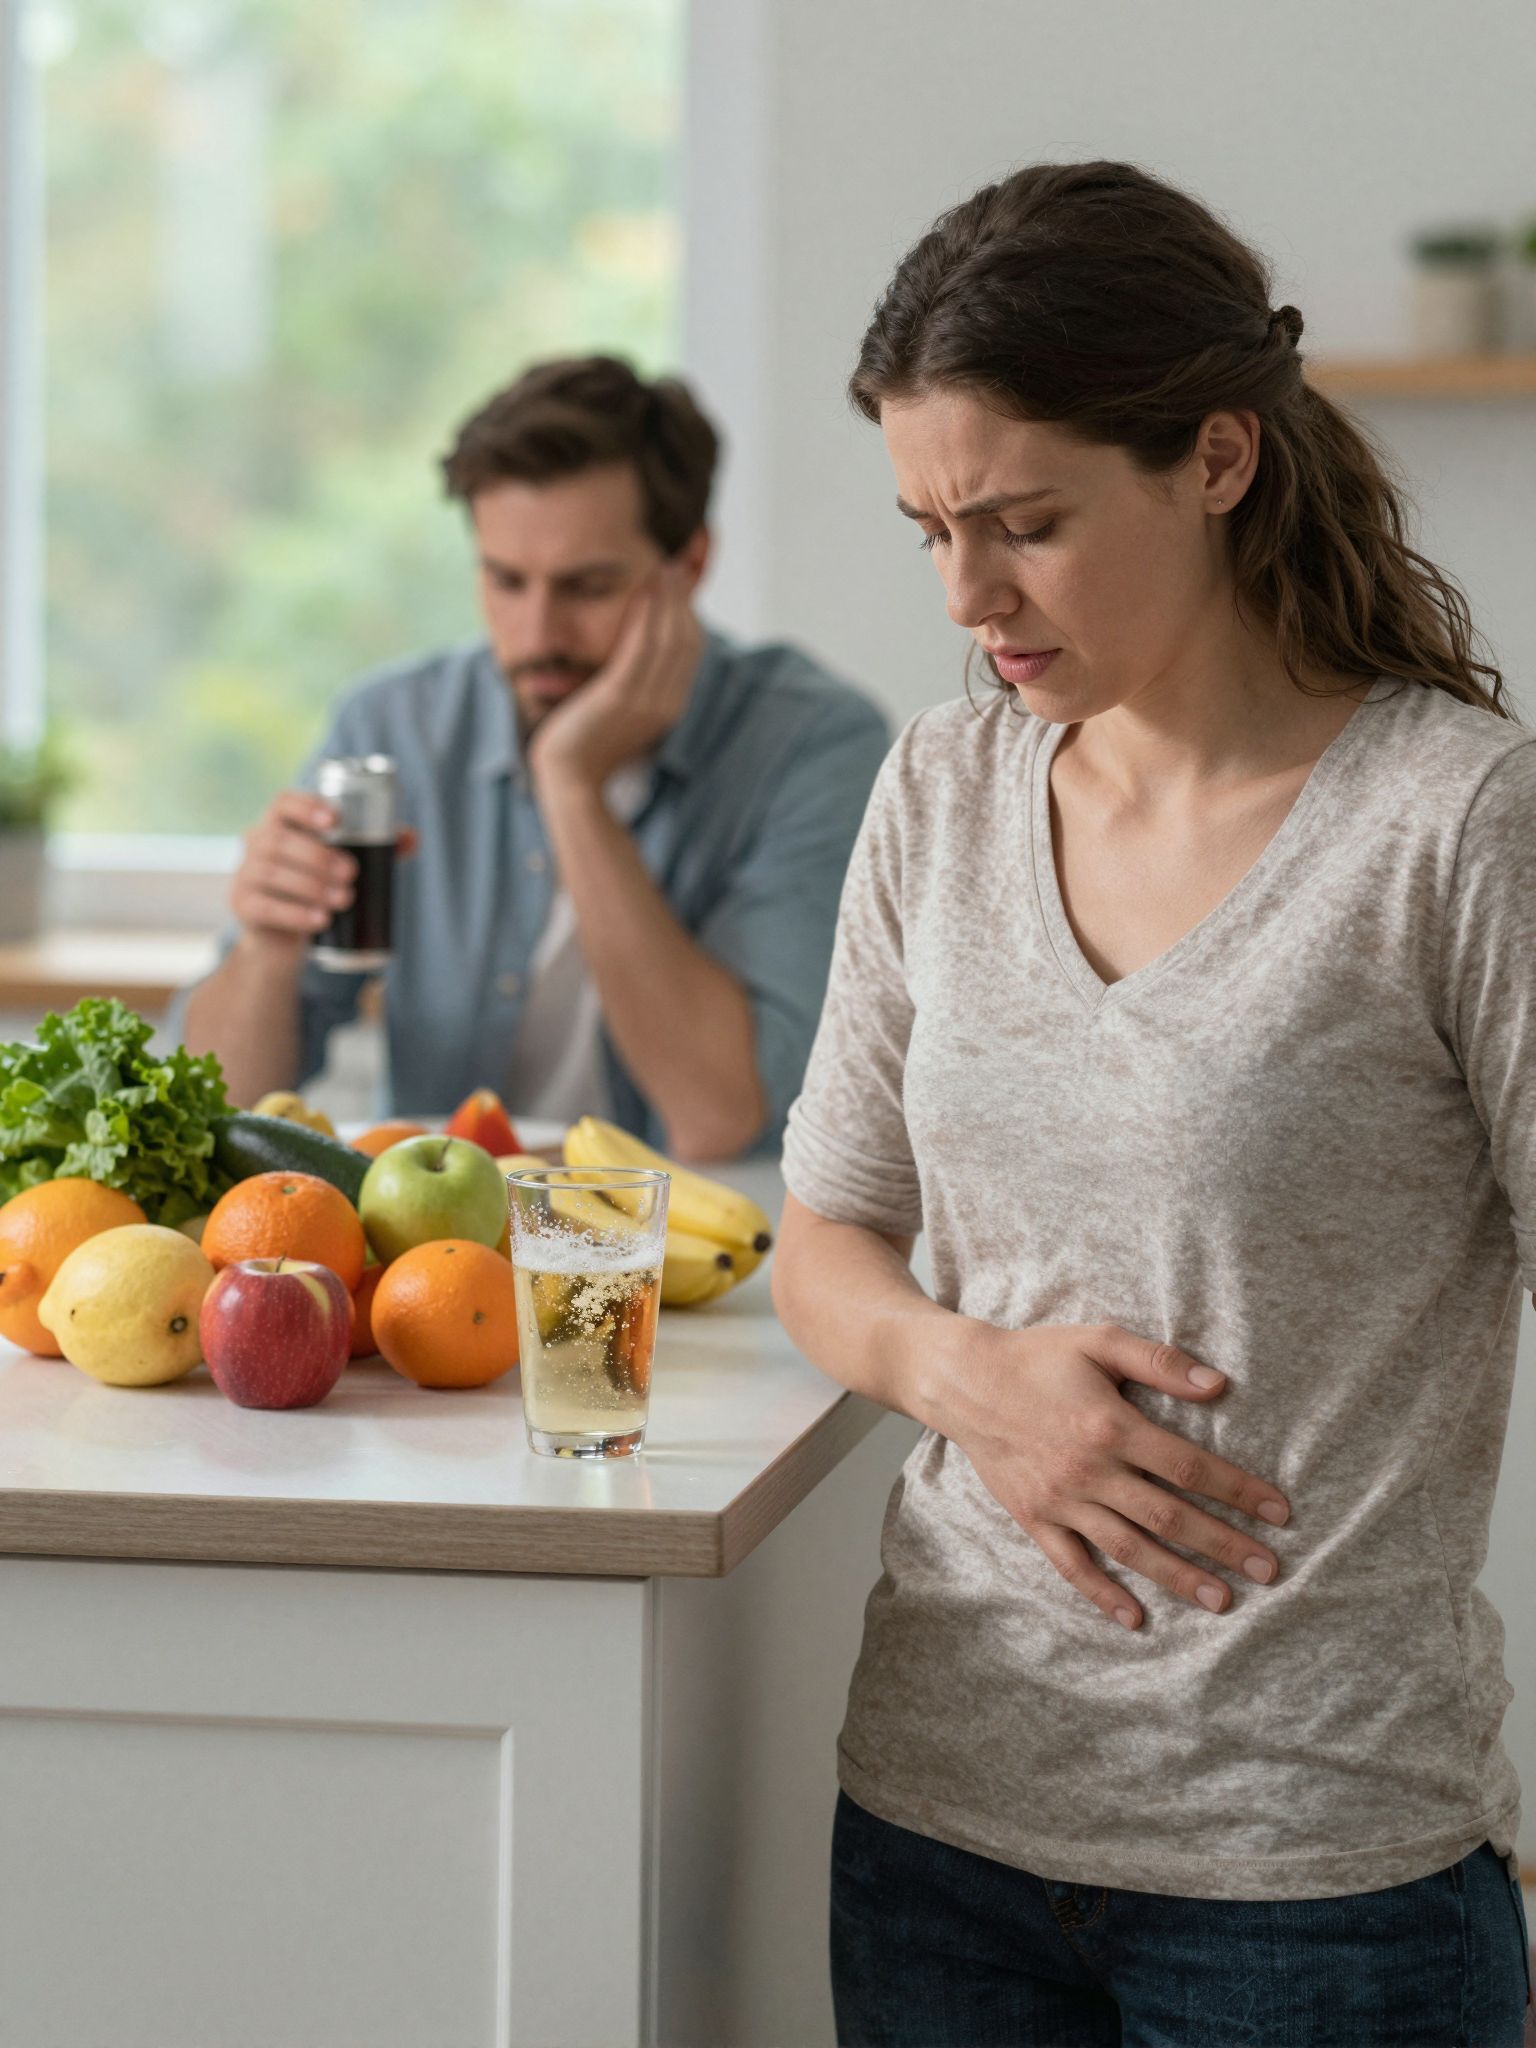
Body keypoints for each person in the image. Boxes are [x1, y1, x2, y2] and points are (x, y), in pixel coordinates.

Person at [773, 160, 1535, 2046]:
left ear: (1213, 458)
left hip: (1316, 1886)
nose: (969, 595)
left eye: (1023, 522)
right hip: (940, 1832)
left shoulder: (1455, 824)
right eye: (929, 528)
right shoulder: (942, 789)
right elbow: (823, 1236)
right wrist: (966, 1377)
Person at [180, 356, 889, 1160]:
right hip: (431, 1255)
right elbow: (215, 1112)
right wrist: (268, 945)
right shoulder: (393, 727)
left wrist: (572, 786)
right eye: (506, 580)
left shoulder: (811, 746)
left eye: (587, 587)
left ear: (688, 565)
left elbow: (721, 1119)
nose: (538, 634)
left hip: (686, 1257)